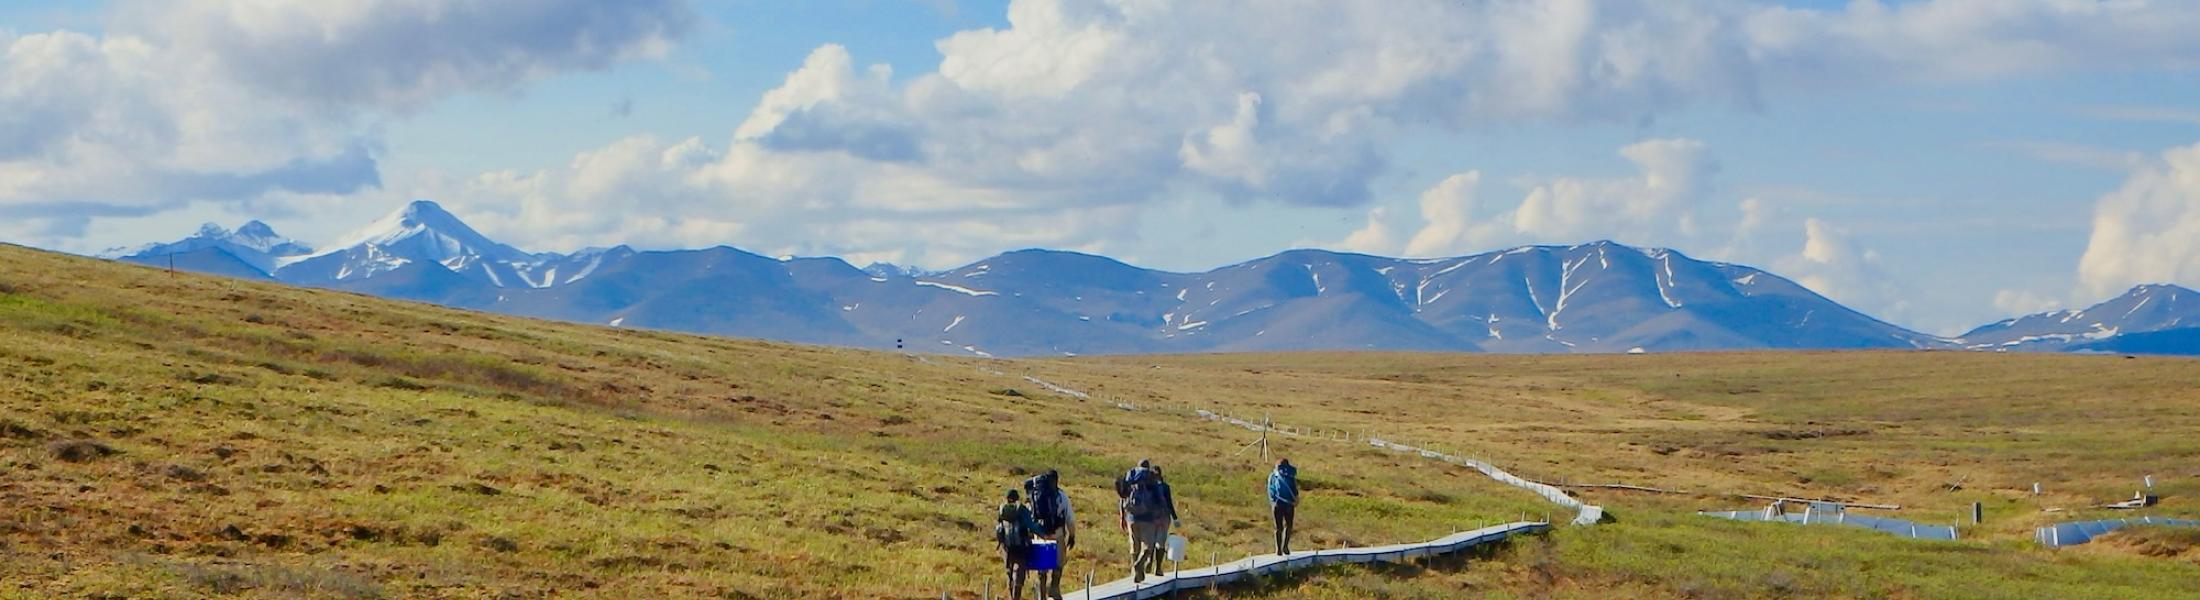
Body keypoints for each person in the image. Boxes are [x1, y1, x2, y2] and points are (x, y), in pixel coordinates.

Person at [1118, 460, 1179, 582]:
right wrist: (1160, 517)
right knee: (1148, 547)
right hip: (1148, 518)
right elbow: (1161, 499)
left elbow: (1122, 497)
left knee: (1134, 545)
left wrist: (1122, 517)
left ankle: (1134, 571)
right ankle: (1139, 564)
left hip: (1131, 517)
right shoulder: (1150, 479)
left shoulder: (1131, 477)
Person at [1025, 470, 1076, 600]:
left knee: (1042, 570)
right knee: (1058, 564)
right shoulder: (1061, 496)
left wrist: (1030, 535)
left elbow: (1030, 516)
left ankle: (1041, 596)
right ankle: (1054, 588)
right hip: (1057, 534)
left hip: (1040, 535)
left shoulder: (1035, 495)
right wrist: (1072, 535)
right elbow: (1070, 518)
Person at [996, 488, 1041, 600]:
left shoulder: (1002, 510)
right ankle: (1016, 596)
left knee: (1009, 573)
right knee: (1019, 572)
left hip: (1007, 547)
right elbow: (1032, 526)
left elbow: (999, 528)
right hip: (1021, 546)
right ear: (1017, 499)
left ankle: (1011, 596)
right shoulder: (1022, 510)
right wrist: (1043, 534)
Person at [1268, 458, 1300, 555]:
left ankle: (1278, 549)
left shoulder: (1273, 476)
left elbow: (1270, 490)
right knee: (1289, 525)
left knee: (1278, 527)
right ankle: (1285, 546)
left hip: (1277, 504)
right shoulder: (1290, 476)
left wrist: (1273, 501)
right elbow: (1295, 490)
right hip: (1289, 504)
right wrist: (1296, 500)